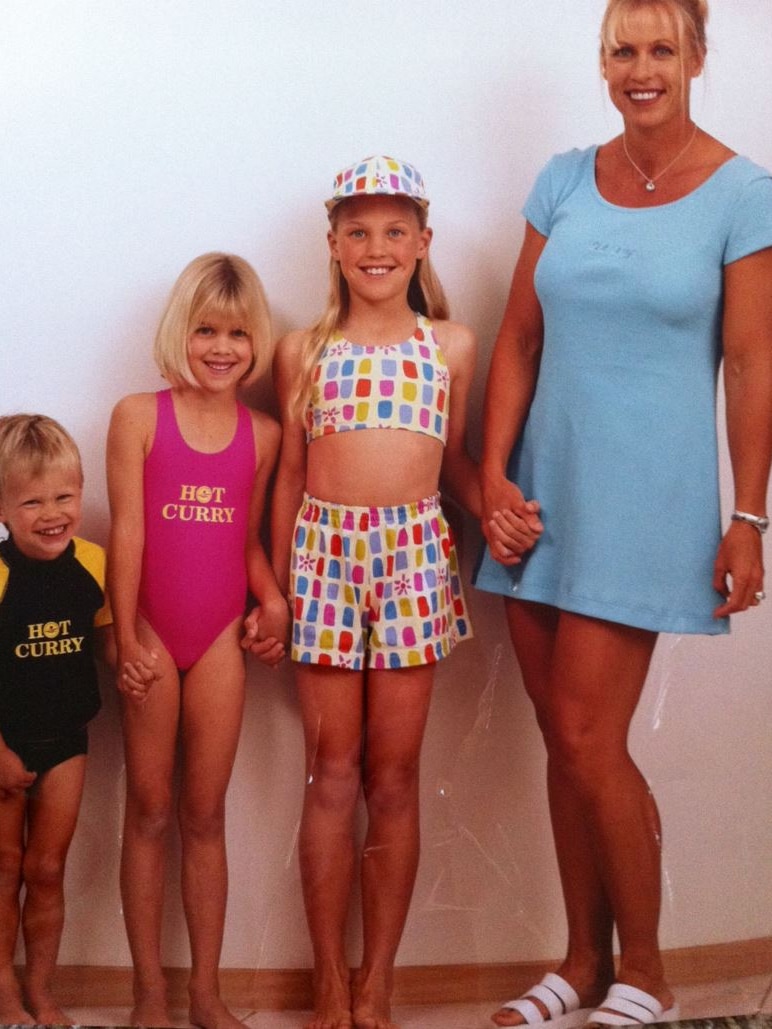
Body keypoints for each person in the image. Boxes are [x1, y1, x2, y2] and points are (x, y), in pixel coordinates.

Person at [474, 1, 772, 1026]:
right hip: (537, 501)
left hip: (647, 507)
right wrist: (491, 481)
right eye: (621, 50)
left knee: (592, 738)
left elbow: (748, 360)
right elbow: (514, 340)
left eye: (658, 49)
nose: (638, 69)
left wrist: (750, 517)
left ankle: (645, 969)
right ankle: (578, 961)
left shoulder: (744, 193)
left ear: (694, 57)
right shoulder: (563, 179)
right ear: (601, 61)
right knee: (565, 740)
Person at [269, 155, 480, 1029]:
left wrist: (487, 518)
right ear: (333, 244)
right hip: (322, 557)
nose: (377, 246)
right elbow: (288, 476)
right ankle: (326, 978)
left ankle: (378, 979)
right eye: (358, 230)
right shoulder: (302, 350)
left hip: (414, 557)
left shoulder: (451, 345)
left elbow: (454, 461)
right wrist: (282, 587)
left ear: (423, 242)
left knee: (394, 777)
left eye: (396, 230)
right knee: (332, 773)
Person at [106, 252, 290, 1029]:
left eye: (239, 334)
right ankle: (150, 991)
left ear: (258, 341)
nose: (222, 347)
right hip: (149, 629)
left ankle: (205, 992)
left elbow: (244, 541)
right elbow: (127, 533)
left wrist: (273, 598)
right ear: (181, 330)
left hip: (218, 637)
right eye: (207, 330)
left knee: (204, 814)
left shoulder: (267, 433)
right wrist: (122, 638)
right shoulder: (136, 416)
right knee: (149, 809)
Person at [0, 414, 113, 1026]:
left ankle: (41, 988)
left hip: (68, 741)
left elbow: (108, 638)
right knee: (5, 867)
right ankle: (3, 989)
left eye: (64, 496)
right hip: (3, 743)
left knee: (46, 868)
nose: (52, 512)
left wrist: (135, 663)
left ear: (82, 489)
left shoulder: (93, 562)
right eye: (32, 500)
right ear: (2, 508)